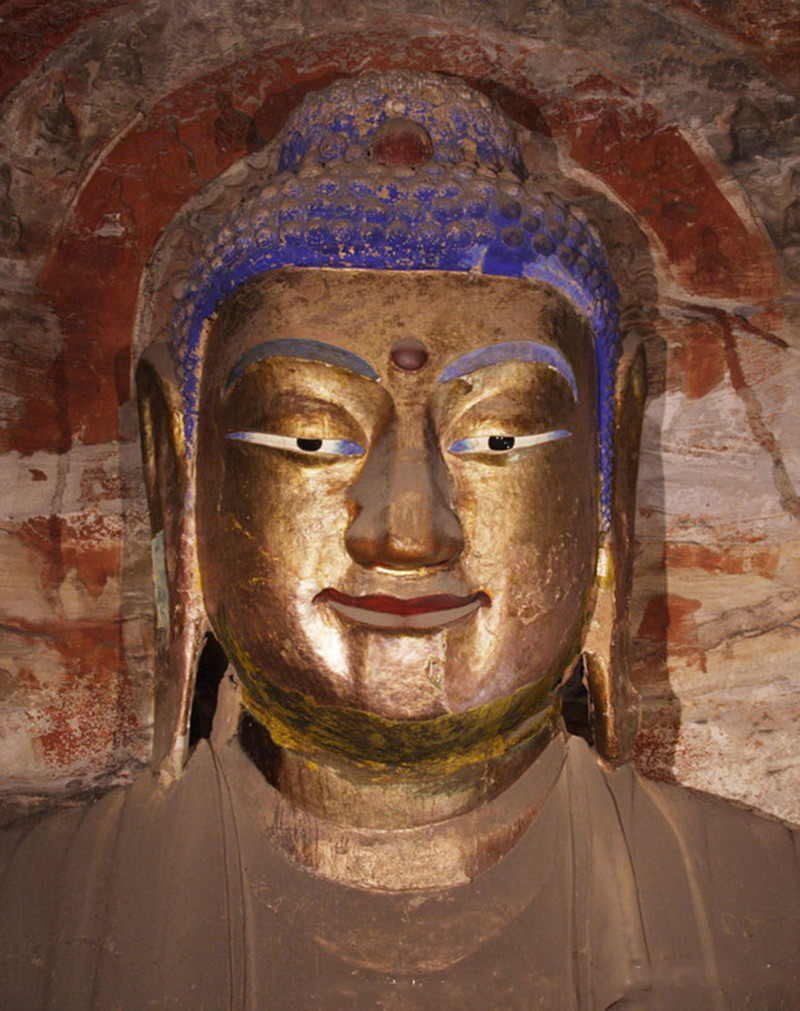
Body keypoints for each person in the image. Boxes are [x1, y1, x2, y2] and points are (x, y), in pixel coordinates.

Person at [1, 70, 798, 1010]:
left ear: (606, 477)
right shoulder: (38, 906)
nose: (407, 533)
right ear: (176, 476)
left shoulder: (760, 899)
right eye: (308, 438)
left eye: (499, 440)